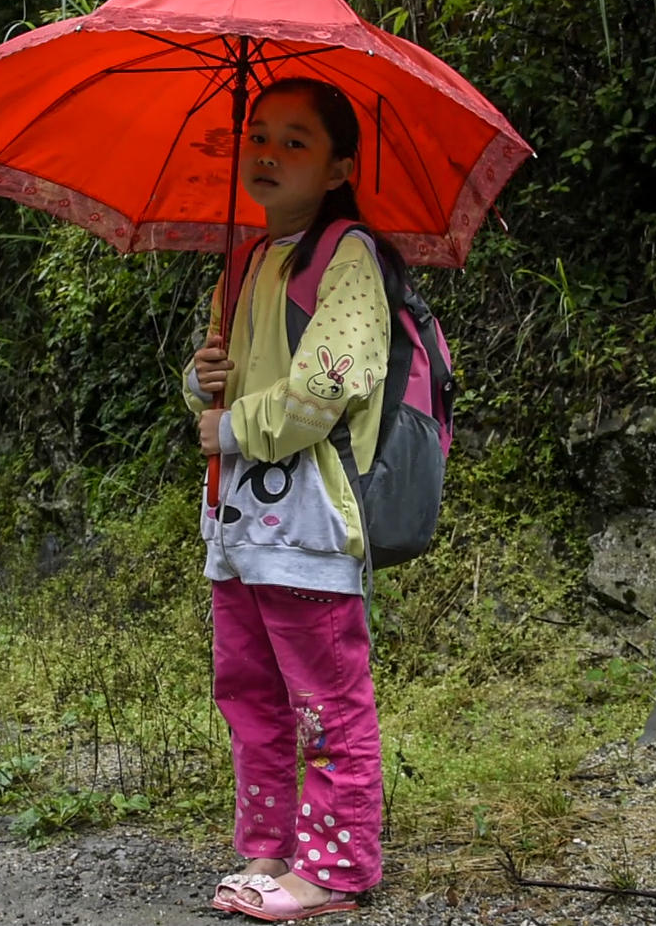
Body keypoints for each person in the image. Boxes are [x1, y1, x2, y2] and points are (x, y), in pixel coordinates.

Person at [183, 76, 392, 921]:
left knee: (325, 695)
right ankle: (270, 850)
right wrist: (199, 384)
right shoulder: (243, 259)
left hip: (307, 520)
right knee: (252, 694)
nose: (266, 153)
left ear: (340, 166)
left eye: (295, 141)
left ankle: (335, 870)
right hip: (237, 524)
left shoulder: (347, 255)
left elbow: (327, 388)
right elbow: (216, 392)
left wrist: (230, 425)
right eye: (257, 136)